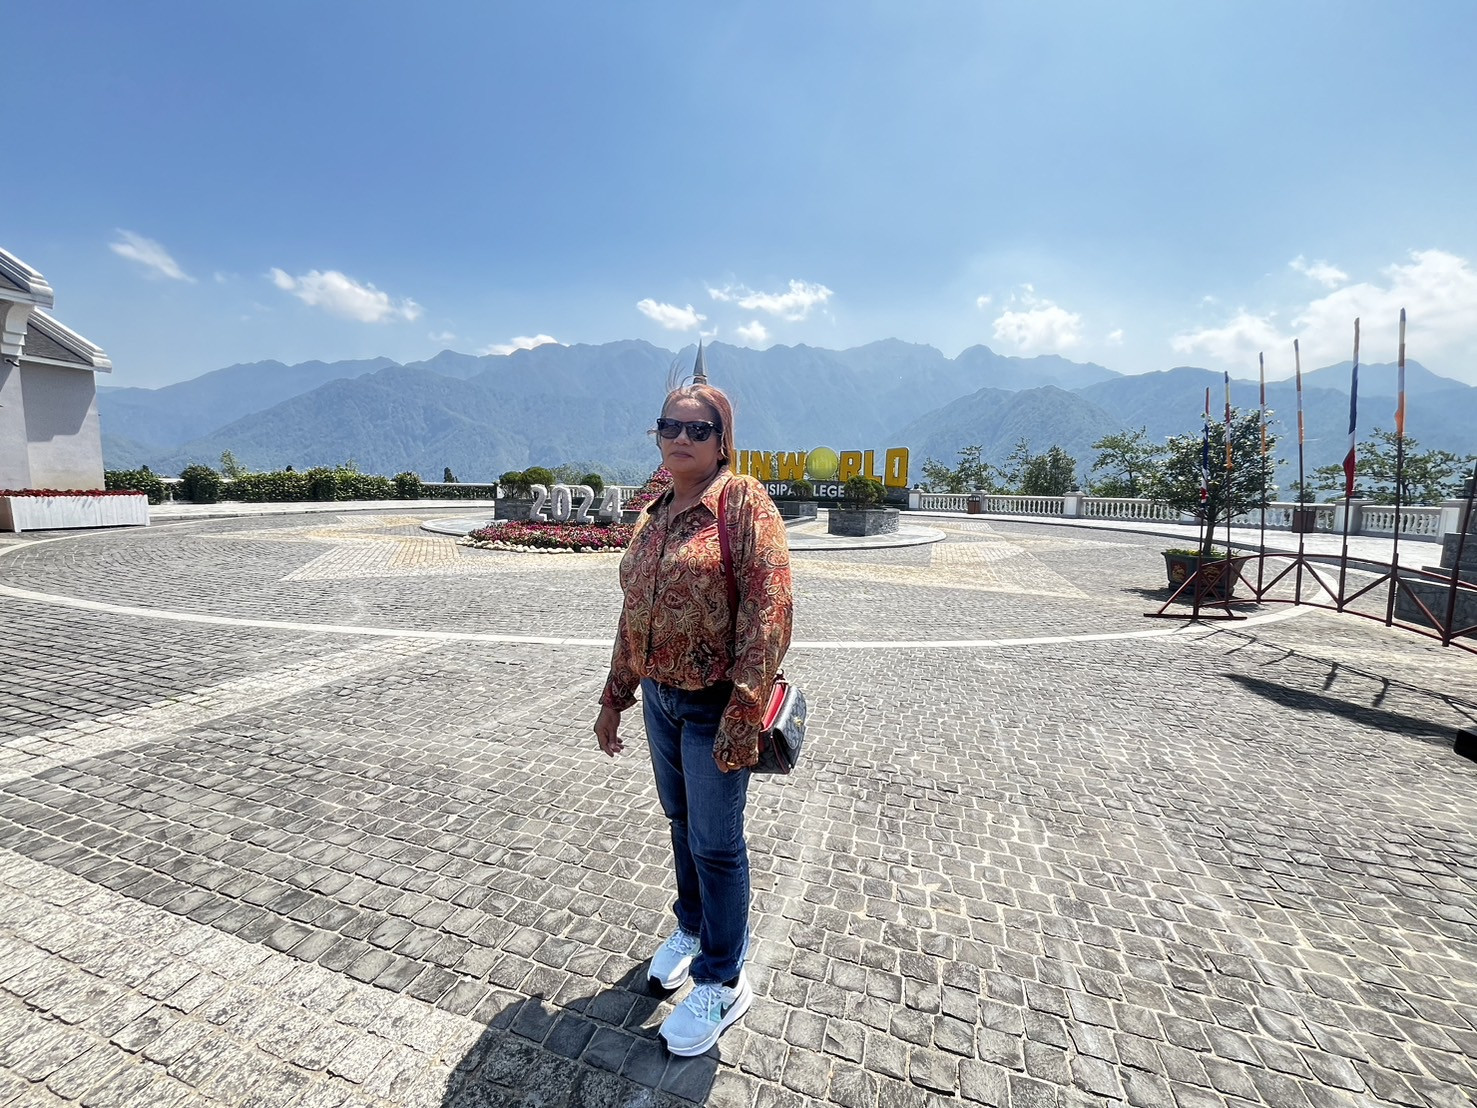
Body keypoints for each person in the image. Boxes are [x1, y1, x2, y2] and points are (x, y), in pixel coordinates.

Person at [594, 378, 793, 1057]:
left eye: (697, 428)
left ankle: (722, 979)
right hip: (660, 699)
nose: (681, 437)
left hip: (716, 704)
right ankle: (692, 925)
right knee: (681, 823)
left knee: (715, 841)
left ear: (721, 440)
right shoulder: (653, 510)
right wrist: (614, 697)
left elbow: (769, 611)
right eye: (669, 425)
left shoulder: (742, 504)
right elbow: (634, 613)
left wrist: (744, 709)